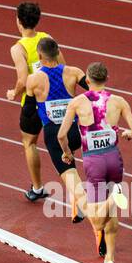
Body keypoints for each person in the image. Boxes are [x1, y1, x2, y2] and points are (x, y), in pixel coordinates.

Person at [57, 61, 132, 263]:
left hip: (93, 160)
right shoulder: (119, 101)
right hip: (114, 158)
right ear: (107, 79)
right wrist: (129, 134)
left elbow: (61, 135)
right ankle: (110, 258)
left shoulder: (77, 102)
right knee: (111, 213)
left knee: (95, 219)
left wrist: (67, 153)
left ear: (87, 79)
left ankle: (113, 199)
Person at [24, 36, 85, 223]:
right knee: (70, 157)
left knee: (70, 176)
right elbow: (94, 88)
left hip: (54, 134)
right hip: (75, 132)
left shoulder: (34, 79)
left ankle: (91, 211)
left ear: (40, 56)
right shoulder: (74, 72)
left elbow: (27, 111)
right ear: (58, 52)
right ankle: (78, 207)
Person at [5, 1, 55, 203]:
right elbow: (63, 66)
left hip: (33, 103)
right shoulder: (47, 38)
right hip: (53, 97)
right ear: (37, 20)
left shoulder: (18, 48)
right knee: (61, 145)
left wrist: (13, 93)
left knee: (29, 143)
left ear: (18, 21)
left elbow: (23, 80)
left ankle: (38, 187)